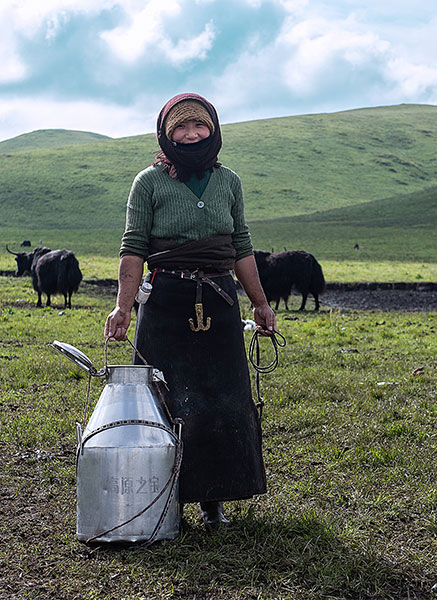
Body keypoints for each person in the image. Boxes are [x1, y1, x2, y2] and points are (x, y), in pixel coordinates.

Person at [104, 92, 277, 529]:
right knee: (164, 400)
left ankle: (213, 501)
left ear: (212, 130)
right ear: (166, 134)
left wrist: (259, 303)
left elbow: (241, 246)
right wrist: (123, 307)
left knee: (221, 399)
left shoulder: (229, 182)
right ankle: (167, 502)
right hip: (166, 303)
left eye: (199, 125)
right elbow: (133, 248)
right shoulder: (149, 183)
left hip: (219, 301)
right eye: (180, 127)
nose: (191, 134)